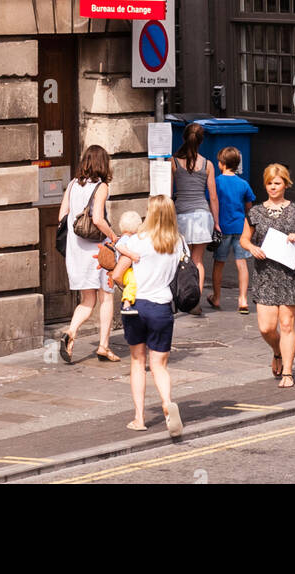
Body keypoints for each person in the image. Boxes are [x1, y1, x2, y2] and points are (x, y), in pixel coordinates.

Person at [110, 195, 184, 436]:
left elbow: (118, 274)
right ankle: (166, 404)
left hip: (137, 305)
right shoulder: (178, 242)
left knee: (137, 362)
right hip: (162, 307)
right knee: (160, 365)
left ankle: (139, 418)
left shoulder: (138, 241)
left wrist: (126, 285)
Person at [241, 164, 295, 388]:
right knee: (266, 328)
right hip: (265, 274)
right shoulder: (255, 212)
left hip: (290, 274)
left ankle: (287, 371)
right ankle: (277, 351)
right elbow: (244, 239)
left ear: (285, 184)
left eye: (277, 183)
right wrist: (251, 248)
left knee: (286, 325)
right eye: (269, 183)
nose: (273, 187)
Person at [57, 144, 122, 363]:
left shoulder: (73, 184)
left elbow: (62, 216)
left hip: (76, 249)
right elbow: (97, 219)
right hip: (97, 250)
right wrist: (113, 237)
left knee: (87, 300)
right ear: (103, 164)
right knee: (106, 296)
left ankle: (70, 332)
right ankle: (103, 346)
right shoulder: (101, 186)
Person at [169, 123, 221, 312]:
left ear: (184, 138)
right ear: (201, 141)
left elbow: (168, 191)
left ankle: (180, 297)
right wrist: (216, 222)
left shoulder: (173, 162)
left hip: (181, 213)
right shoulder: (208, 165)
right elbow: (213, 196)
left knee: (183, 259)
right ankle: (195, 303)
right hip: (202, 215)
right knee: (198, 261)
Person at [209, 147, 256, 313]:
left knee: (219, 263)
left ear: (221, 164)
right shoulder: (243, 184)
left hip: (222, 227)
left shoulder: (217, 182)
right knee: (242, 264)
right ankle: (243, 299)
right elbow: (249, 207)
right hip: (240, 228)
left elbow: (212, 201)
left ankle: (216, 297)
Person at [109, 209, 144, 315]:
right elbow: (119, 246)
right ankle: (127, 304)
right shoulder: (126, 239)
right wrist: (131, 254)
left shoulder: (127, 238)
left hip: (128, 269)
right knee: (132, 283)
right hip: (127, 270)